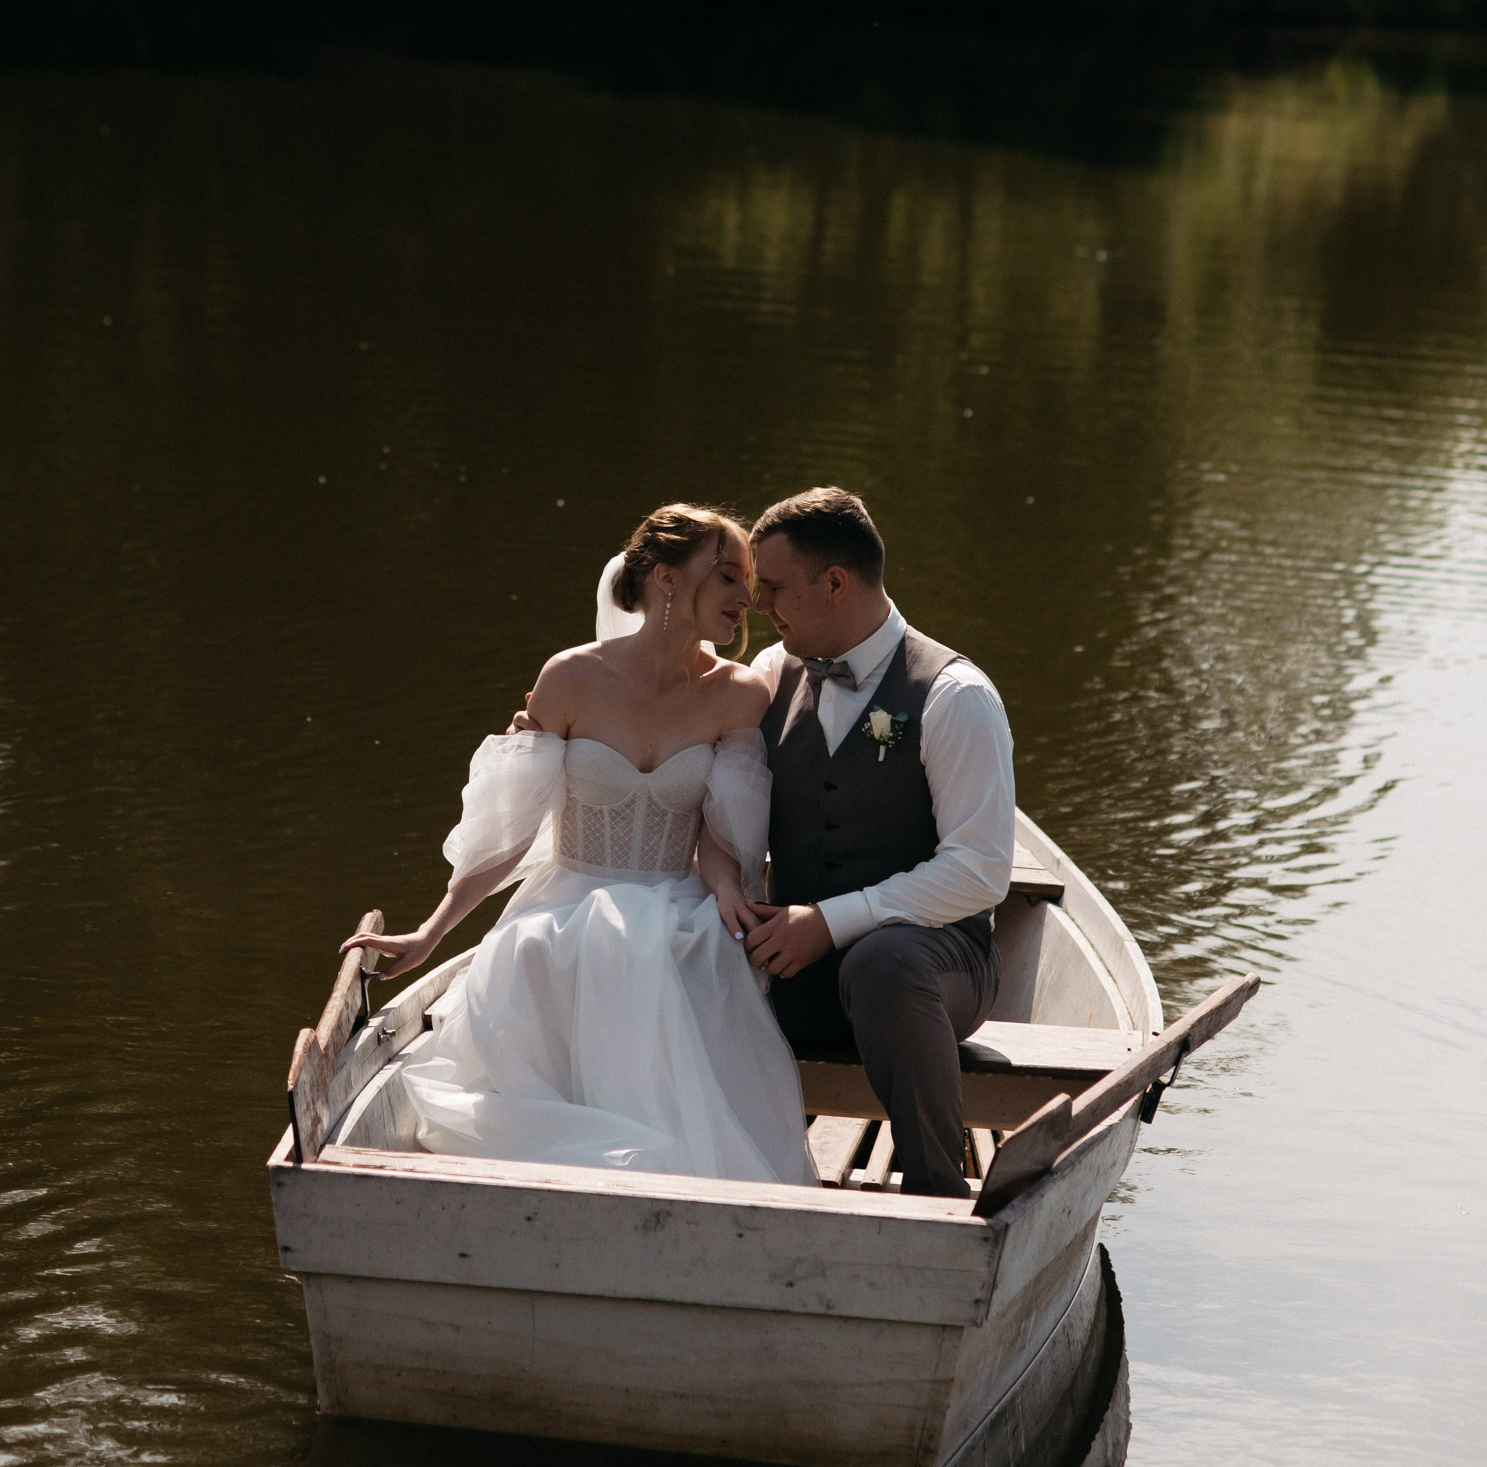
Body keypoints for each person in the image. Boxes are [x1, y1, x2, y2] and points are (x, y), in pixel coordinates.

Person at [340, 505, 816, 1186]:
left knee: (662, 953)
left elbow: (718, 835)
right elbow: (512, 834)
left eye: (746, 581)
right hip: (569, 890)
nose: (748, 598)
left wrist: (730, 890)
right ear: (666, 580)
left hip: (676, 898)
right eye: (728, 577)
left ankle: (667, 1177)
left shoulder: (740, 694)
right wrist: (431, 932)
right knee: (540, 947)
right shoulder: (569, 678)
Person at [741, 486, 1015, 1195]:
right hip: (800, 970)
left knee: (885, 963)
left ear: (834, 584)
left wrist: (830, 923)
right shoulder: (771, 677)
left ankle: (938, 1193)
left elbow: (982, 872)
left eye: (772, 588)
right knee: (663, 942)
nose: (757, 606)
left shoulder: (956, 696)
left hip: (935, 968)